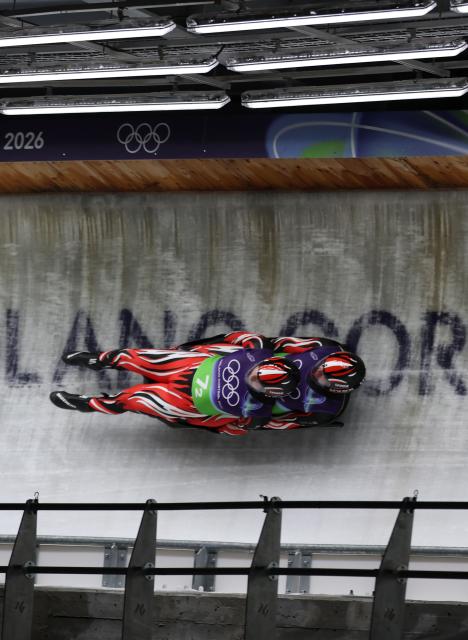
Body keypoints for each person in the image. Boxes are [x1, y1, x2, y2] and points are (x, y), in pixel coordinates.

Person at [50, 332, 365, 436]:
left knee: (133, 398)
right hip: (198, 366)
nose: (317, 374)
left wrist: (204, 425)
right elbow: (262, 341)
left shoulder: (319, 408)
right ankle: (99, 358)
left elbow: (270, 426)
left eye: (324, 377)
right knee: (132, 356)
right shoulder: (323, 348)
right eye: (322, 369)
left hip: (194, 403)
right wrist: (196, 347)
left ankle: (89, 403)